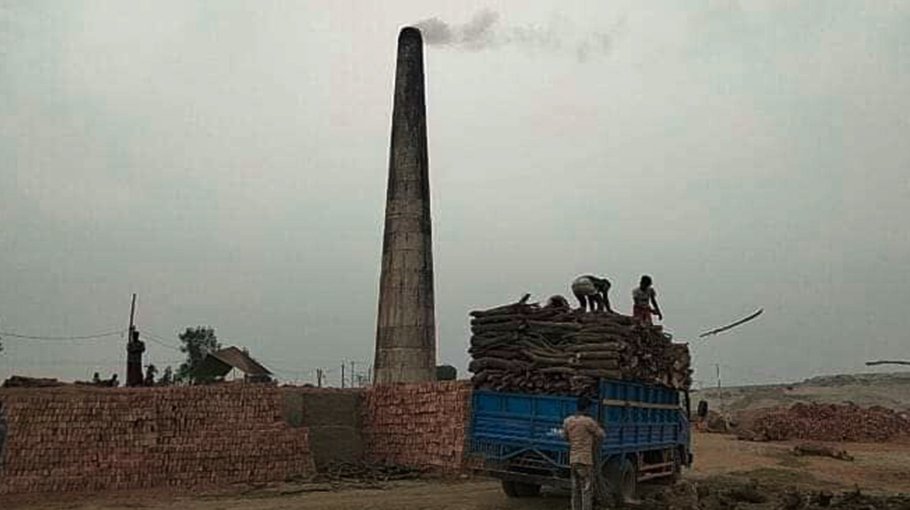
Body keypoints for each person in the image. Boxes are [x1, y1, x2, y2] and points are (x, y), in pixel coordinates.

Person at [562, 396, 605, 510]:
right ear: (587, 408)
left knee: (575, 489)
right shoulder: (588, 422)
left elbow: (564, 436)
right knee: (586, 489)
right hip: (585, 460)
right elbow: (601, 434)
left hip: (573, 459)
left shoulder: (568, 421)